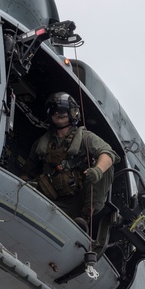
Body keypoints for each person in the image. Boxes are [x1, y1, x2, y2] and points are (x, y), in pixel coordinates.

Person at [21, 93, 120, 228]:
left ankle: (85, 217)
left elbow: (108, 154)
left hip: (75, 200)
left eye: (62, 110)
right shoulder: (42, 143)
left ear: (72, 112)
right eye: (54, 110)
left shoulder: (84, 137)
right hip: (50, 196)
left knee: (106, 169)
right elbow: (27, 172)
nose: (58, 113)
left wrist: (97, 171)